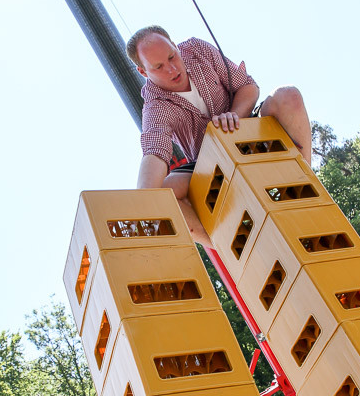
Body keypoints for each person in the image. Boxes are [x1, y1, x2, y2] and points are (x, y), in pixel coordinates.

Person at [126, 27, 312, 245]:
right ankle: (227, 247)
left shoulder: (198, 50)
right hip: (211, 167)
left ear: (175, 45)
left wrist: (234, 115)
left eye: (171, 56)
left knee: (288, 95)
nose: (172, 68)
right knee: (164, 192)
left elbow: (248, 86)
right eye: (158, 67)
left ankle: (304, 186)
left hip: (248, 134)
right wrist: (143, 200)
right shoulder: (155, 106)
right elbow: (155, 151)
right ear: (143, 72)